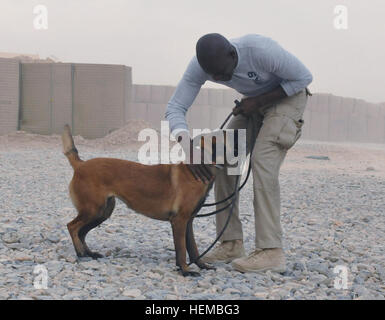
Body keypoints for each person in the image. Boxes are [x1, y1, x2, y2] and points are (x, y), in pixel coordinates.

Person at [165, 33, 313, 273]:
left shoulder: (261, 51)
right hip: (253, 102)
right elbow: (175, 108)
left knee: (262, 159)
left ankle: (271, 251)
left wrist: (259, 100)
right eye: (214, 76)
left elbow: (304, 78)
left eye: (223, 73)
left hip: (288, 97)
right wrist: (188, 148)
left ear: (233, 54)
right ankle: (231, 243)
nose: (220, 78)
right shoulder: (200, 67)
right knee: (223, 155)